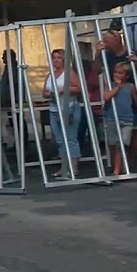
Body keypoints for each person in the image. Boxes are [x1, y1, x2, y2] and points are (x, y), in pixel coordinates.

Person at [94, 22, 137, 164]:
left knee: (136, 134)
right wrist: (97, 54)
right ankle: (117, 165)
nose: (105, 43)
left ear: (117, 40)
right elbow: (96, 70)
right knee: (113, 137)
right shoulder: (106, 55)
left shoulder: (133, 53)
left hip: (132, 99)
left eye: (107, 41)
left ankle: (130, 162)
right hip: (113, 99)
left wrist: (136, 64)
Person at [43, 48, 83, 179]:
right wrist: (49, 94)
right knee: (60, 140)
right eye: (54, 57)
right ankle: (64, 166)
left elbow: (79, 88)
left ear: (64, 59)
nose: (56, 60)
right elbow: (44, 92)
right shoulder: (50, 75)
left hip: (68, 108)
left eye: (59, 57)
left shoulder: (69, 72)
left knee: (70, 138)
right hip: (54, 109)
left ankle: (74, 167)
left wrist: (64, 90)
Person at [102, 63, 137, 177]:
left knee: (122, 144)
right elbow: (106, 97)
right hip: (112, 118)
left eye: (121, 73)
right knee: (113, 144)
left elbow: (136, 101)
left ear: (126, 76)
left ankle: (117, 170)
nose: (117, 75)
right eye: (115, 72)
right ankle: (120, 166)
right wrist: (117, 87)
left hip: (127, 119)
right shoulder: (110, 85)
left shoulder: (130, 87)